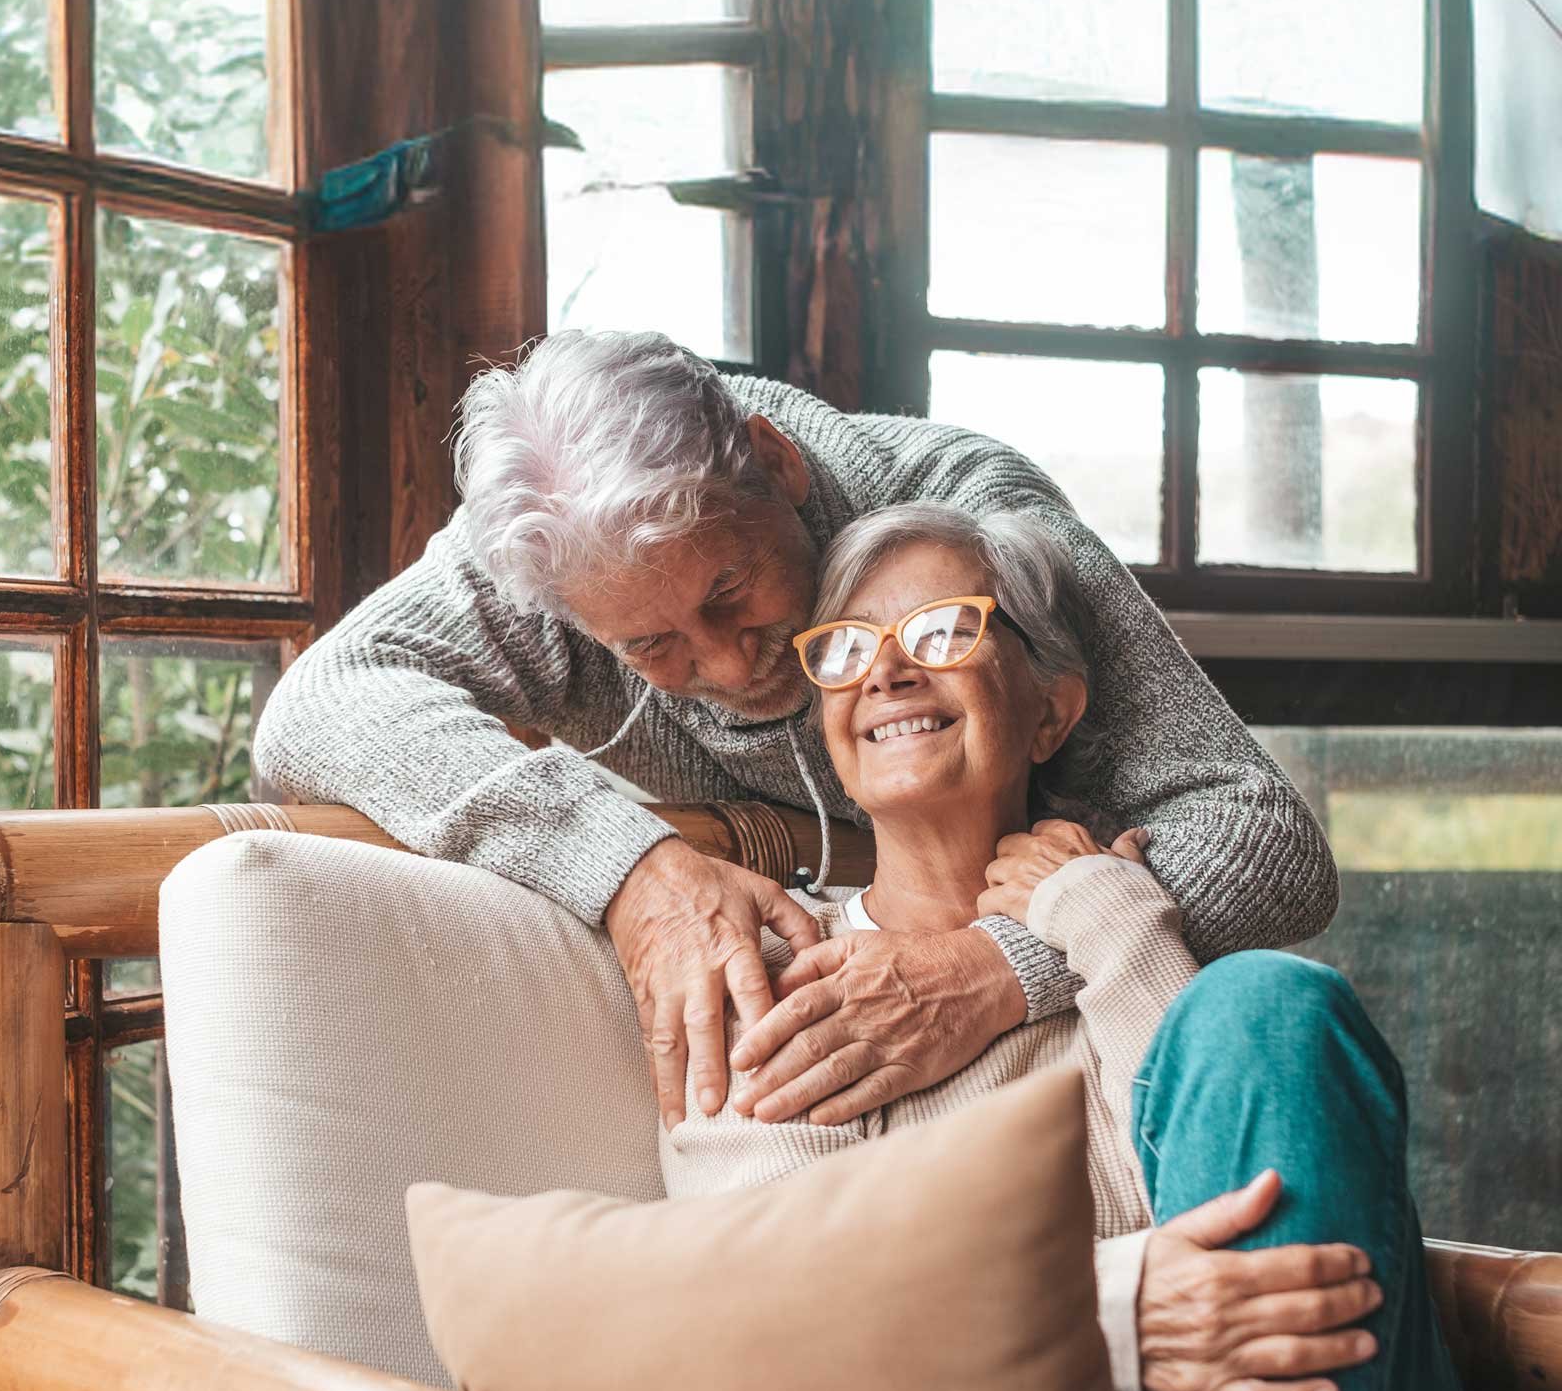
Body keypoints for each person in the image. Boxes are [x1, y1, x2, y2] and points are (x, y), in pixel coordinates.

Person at [253, 331, 1337, 1132]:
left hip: (1092, 1041)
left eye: (732, 590)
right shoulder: (554, 554)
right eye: (652, 650)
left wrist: (993, 969)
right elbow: (323, 703)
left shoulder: (969, 523)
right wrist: (633, 872)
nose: (726, 667)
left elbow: (1264, 838)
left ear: (774, 460)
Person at [664, 503, 1484, 1391]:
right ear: (830, 727)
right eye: (847, 649)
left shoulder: (1124, 933)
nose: (887, 671)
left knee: (1275, 1001)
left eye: (942, 630)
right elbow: (773, 1309)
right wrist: (1111, 1306)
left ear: (1050, 710)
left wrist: (1108, 920)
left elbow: (1222, 1213)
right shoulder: (778, 979)